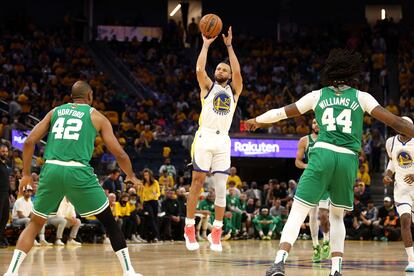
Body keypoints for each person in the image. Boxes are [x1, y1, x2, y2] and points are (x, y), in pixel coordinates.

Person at [245, 49, 414, 276]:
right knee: (336, 217)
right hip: (347, 159)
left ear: (329, 72)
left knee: (298, 211)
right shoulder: (362, 97)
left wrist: (256, 120)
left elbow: (280, 114)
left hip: (322, 153)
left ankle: (279, 262)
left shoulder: (317, 95)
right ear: (352, 73)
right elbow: (396, 122)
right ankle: (335, 270)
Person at [3, 81, 142, 276]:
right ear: (90, 96)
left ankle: (11, 271)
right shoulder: (97, 117)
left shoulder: (55, 112)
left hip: (51, 169)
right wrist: (131, 176)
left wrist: (26, 174)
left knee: (35, 223)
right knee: (109, 222)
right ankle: (129, 271)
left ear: (71, 96)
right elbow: (120, 155)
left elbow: (29, 142)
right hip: (77, 171)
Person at [184, 26, 243, 252]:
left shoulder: (235, 91)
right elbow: (200, 69)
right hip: (205, 136)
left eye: (224, 69)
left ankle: (216, 231)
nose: (220, 70)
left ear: (228, 75)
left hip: (223, 141)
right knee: (197, 181)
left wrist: (229, 46)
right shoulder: (208, 87)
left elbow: (238, 74)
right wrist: (206, 45)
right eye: (218, 68)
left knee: (221, 187)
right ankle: (189, 228)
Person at [295, 119, 330, 262]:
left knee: (323, 215)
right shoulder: (304, 140)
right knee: (312, 215)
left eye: (319, 123)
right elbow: (297, 161)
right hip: (311, 180)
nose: (316, 125)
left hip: (325, 181)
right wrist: (306, 166)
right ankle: (316, 246)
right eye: (314, 122)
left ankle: (327, 240)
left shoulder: (329, 139)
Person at [383, 116, 414, 272]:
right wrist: (388, 174)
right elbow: (392, 162)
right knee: (405, 220)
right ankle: (411, 260)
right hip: (402, 190)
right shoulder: (391, 142)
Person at [0, 144, 10, 248]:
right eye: (3, 151)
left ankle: (0, 237)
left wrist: (10, 194)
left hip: (6, 193)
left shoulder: (5, 164)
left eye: (6, 151)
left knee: (5, 216)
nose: (5, 153)